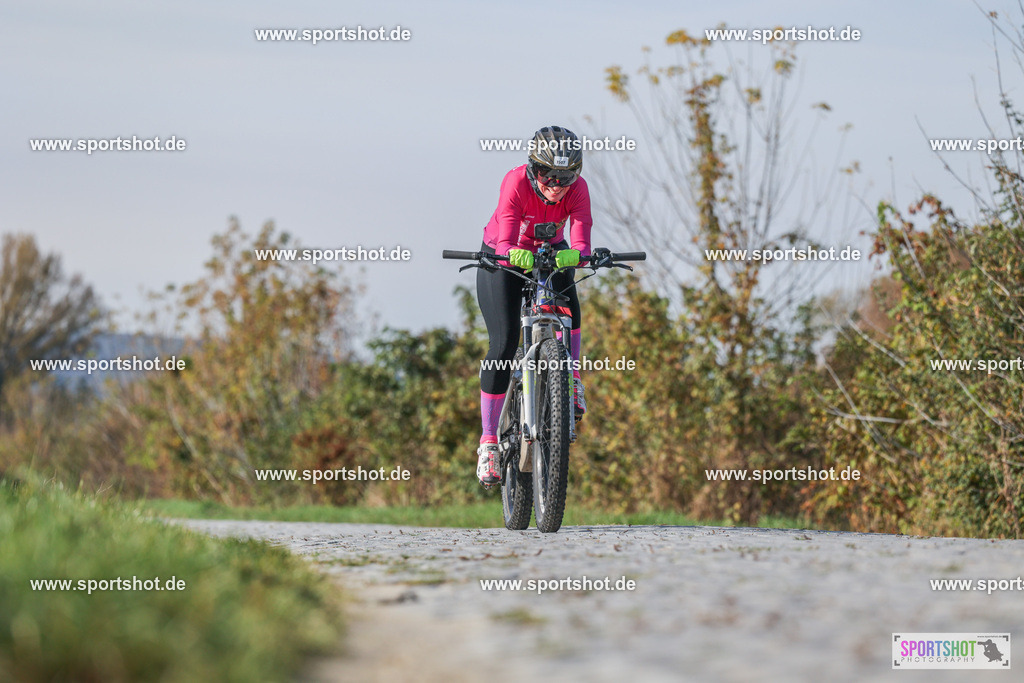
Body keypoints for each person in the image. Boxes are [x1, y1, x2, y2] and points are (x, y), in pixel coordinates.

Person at [475, 125, 592, 487]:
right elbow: (507, 233)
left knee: (570, 311)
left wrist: (583, 254)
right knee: (505, 341)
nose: (556, 185)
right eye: (548, 175)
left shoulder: (579, 190)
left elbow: (582, 229)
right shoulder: (515, 183)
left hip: (549, 252)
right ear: (532, 169)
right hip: (502, 253)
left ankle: (570, 380)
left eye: (566, 177)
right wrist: (511, 254)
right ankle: (489, 443)